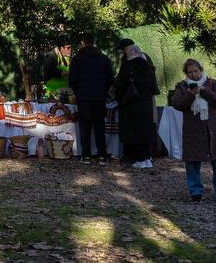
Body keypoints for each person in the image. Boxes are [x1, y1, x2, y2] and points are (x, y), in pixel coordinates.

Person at [169, 58, 216, 202]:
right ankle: (195, 192)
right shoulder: (182, 86)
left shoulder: (213, 83)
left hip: (214, 129)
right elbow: (177, 104)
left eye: (196, 71)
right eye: (190, 72)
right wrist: (190, 94)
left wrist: (205, 91)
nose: (194, 74)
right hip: (193, 130)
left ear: (201, 70)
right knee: (192, 162)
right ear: (186, 73)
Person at [67, 36, 114, 164]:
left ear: (82, 43)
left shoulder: (77, 59)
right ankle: (102, 156)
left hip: (83, 98)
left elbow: (72, 80)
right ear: (94, 42)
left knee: (85, 127)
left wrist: (78, 92)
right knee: (99, 126)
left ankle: (86, 155)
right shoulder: (103, 58)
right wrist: (103, 91)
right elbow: (110, 78)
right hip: (99, 97)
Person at [114, 39, 157, 168]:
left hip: (132, 104)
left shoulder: (128, 66)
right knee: (145, 130)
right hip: (146, 103)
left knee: (134, 131)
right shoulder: (148, 67)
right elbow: (153, 87)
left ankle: (140, 159)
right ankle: (147, 159)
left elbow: (120, 85)